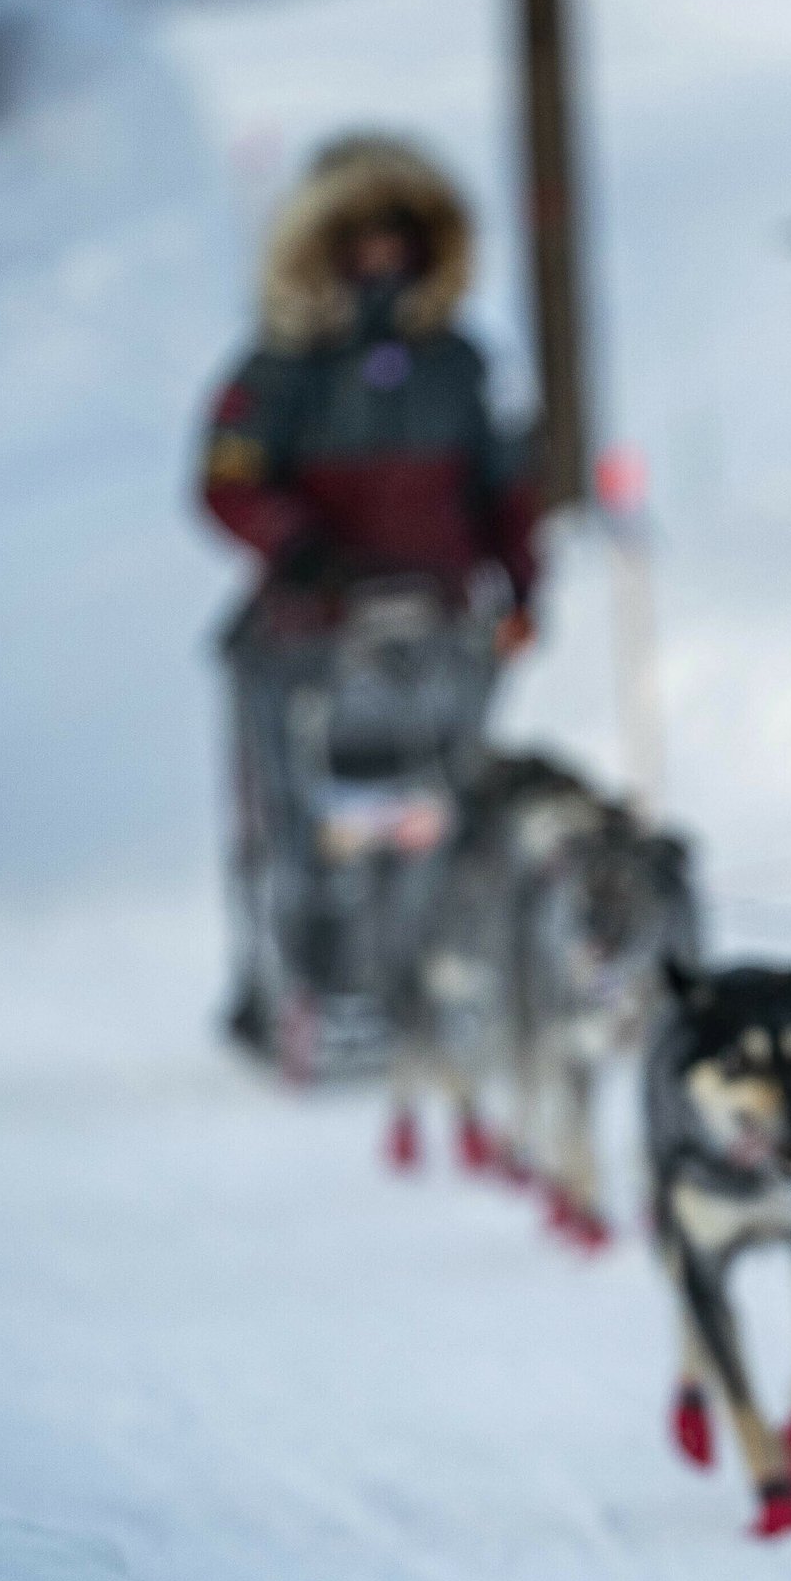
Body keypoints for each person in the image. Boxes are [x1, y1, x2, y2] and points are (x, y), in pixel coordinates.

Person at [198, 133, 539, 1050]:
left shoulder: (463, 363)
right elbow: (227, 481)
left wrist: (521, 585)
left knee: (449, 804)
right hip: (311, 627)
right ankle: (302, 978)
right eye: (362, 238)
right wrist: (295, 547)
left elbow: (509, 484)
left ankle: (441, 971)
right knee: (304, 815)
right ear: (325, 247)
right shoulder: (279, 368)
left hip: (443, 619)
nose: (383, 257)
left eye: (400, 236)